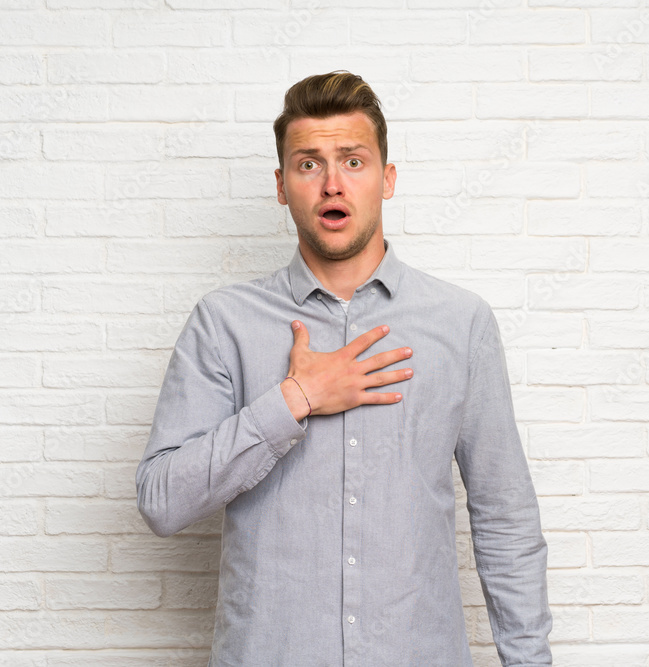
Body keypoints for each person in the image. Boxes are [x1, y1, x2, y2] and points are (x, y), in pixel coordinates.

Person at [135, 70, 552, 666]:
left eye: (353, 162)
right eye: (309, 164)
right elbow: (161, 501)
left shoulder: (461, 323)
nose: (333, 183)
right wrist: (294, 400)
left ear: (388, 178)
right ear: (282, 185)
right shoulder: (224, 323)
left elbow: (505, 519)